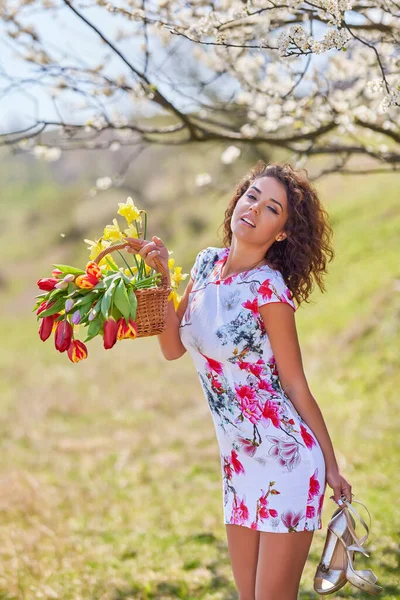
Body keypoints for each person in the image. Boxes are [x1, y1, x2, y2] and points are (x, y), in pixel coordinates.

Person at [125, 160, 352, 600]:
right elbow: (173, 346)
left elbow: (296, 384)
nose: (255, 209)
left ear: (282, 232)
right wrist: (161, 279)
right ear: (238, 200)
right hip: (238, 463)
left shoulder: (270, 291)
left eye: (272, 209)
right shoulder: (207, 264)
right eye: (253, 196)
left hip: (287, 461)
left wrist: (331, 464)